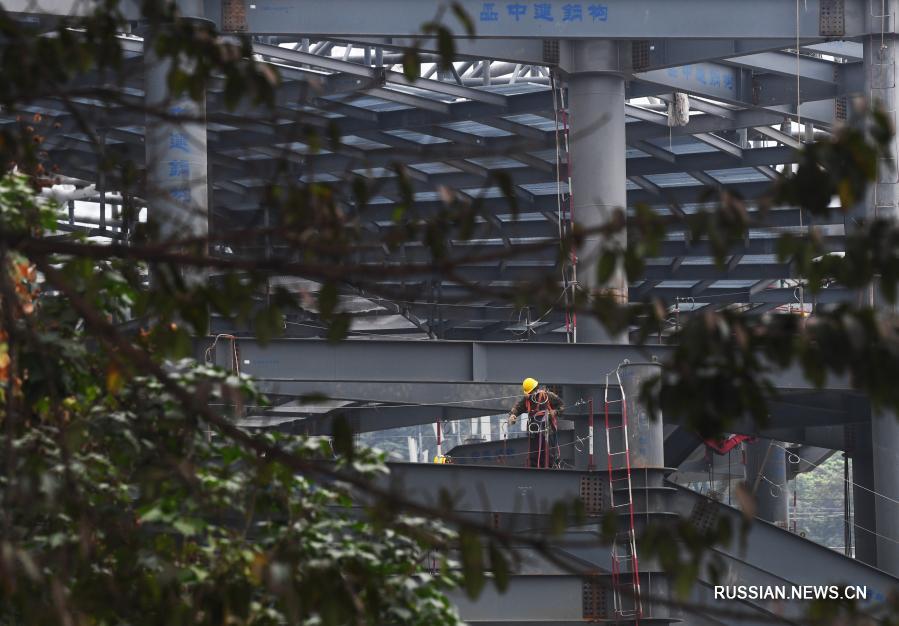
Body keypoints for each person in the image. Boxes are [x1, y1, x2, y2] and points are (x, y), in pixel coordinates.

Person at [508, 377, 564, 468]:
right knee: (533, 456)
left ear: (536, 389)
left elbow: (561, 405)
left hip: (547, 431)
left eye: (530, 392)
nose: (529, 394)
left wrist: (555, 412)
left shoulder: (547, 396)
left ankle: (551, 470)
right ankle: (534, 471)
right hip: (534, 432)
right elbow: (517, 408)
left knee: (548, 456)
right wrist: (512, 415)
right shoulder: (527, 400)